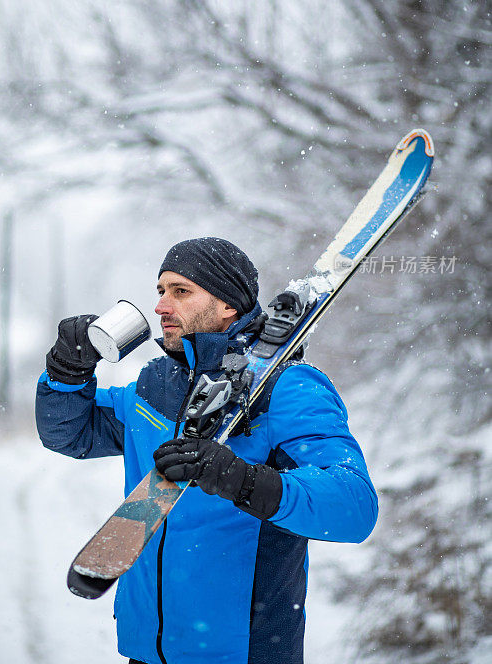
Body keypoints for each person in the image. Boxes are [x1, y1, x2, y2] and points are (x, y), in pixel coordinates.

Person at [36, 237, 378, 664]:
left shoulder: (287, 388)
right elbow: (70, 434)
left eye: (181, 291)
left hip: (242, 651)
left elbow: (353, 505)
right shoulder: (155, 385)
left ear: (228, 304)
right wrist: (67, 369)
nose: (162, 305)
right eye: (160, 291)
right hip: (146, 650)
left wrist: (241, 479)